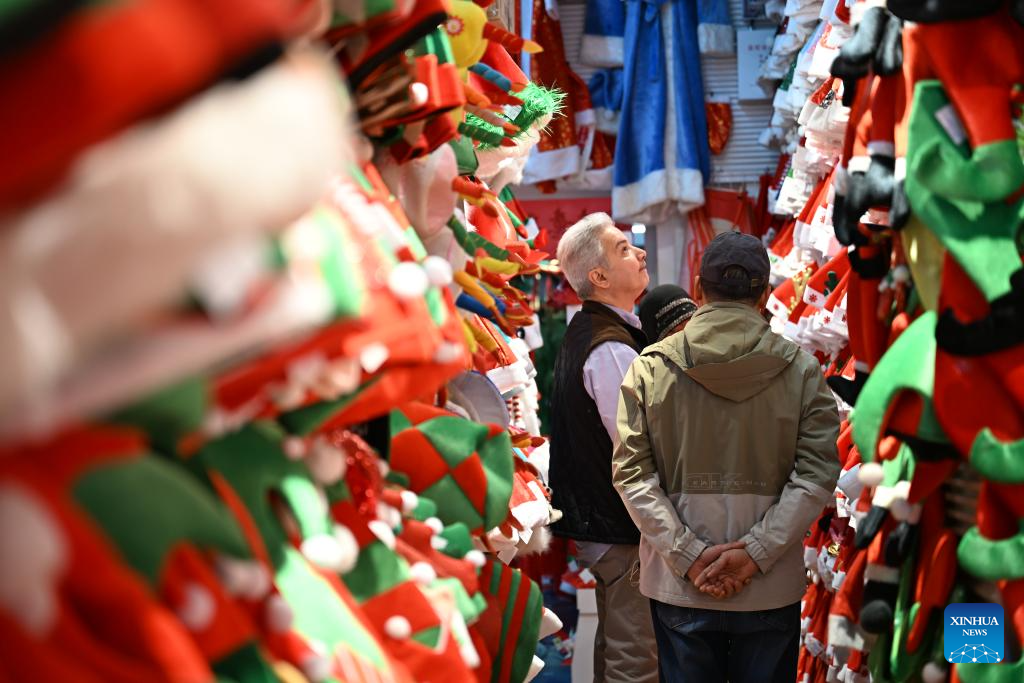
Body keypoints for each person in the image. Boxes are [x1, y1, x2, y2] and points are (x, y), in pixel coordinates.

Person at [613, 231, 841, 683]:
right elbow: (816, 475)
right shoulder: (801, 371)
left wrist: (689, 554)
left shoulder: (650, 369)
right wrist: (756, 552)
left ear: (699, 288)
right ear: (764, 293)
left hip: (681, 584)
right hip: (768, 584)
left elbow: (632, 476)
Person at [548, 212, 658, 682]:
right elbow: (635, 450)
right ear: (599, 277)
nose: (640, 253)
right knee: (636, 657)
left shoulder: (597, 333)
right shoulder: (611, 348)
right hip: (618, 526)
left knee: (619, 643)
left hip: (606, 524)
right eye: (623, 249)